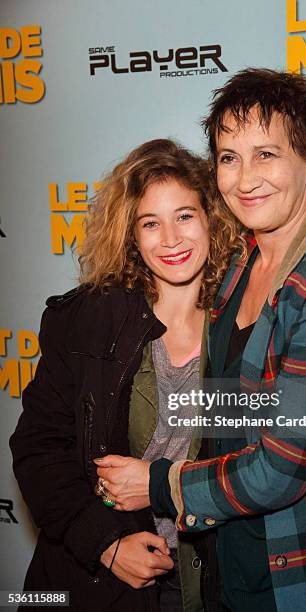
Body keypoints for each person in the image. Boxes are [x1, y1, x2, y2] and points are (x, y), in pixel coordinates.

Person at [97, 70, 306, 611]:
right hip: (235, 555)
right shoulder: (241, 258)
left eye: (266, 154)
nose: (245, 179)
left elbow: (281, 469)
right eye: (228, 157)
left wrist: (157, 483)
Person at [9, 138, 244, 612]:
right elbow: (38, 449)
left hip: (211, 580)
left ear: (211, 218)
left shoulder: (246, 318)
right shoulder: (86, 320)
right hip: (100, 582)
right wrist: (106, 545)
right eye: (150, 223)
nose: (172, 239)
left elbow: (304, 406)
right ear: (131, 236)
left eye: (184, 216)